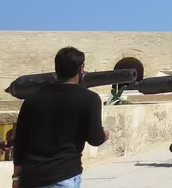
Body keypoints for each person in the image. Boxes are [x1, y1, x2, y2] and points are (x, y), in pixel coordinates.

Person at [12, 47, 108, 188]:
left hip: (32, 176)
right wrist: (105, 134)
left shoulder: (33, 98)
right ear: (81, 69)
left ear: (56, 68)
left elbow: (20, 141)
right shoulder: (90, 99)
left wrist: (16, 177)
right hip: (64, 175)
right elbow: (95, 138)